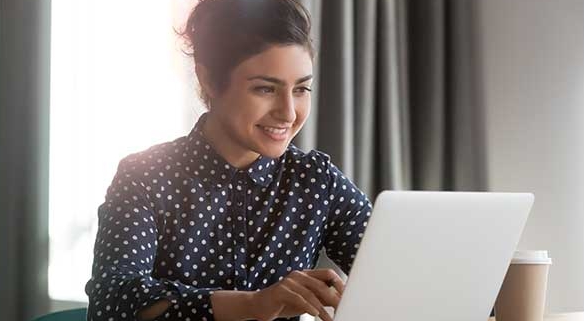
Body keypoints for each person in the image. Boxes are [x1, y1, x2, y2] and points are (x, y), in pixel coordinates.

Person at [85, 0, 372, 320]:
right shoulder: (145, 176)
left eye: (301, 89)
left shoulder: (316, 181)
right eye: (265, 89)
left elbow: (398, 270)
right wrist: (254, 304)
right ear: (208, 80)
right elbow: (113, 303)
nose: (288, 113)